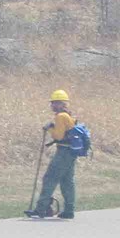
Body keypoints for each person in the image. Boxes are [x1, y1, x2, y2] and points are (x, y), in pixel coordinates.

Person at [32, 91, 90, 220]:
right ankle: (69, 210)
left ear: (60, 104)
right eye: (52, 103)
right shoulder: (68, 116)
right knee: (67, 181)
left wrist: (49, 128)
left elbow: (58, 136)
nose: (52, 105)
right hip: (71, 153)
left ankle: (41, 209)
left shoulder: (60, 117)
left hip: (63, 152)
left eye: (54, 103)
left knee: (49, 178)